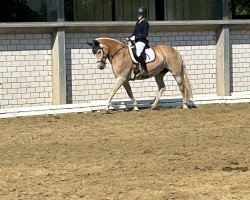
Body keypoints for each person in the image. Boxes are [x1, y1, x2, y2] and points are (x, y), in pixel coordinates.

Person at [127, 7, 150, 77]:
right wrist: (129, 38)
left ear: (144, 15)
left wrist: (136, 37)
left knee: (138, 52)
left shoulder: (145, 23)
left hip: (142, 41)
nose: (138, 15)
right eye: (138, 14)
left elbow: (145, 34)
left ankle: (145, 71)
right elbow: (134, 33)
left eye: (140, 14)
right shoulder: (137, 23)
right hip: (136, 40)